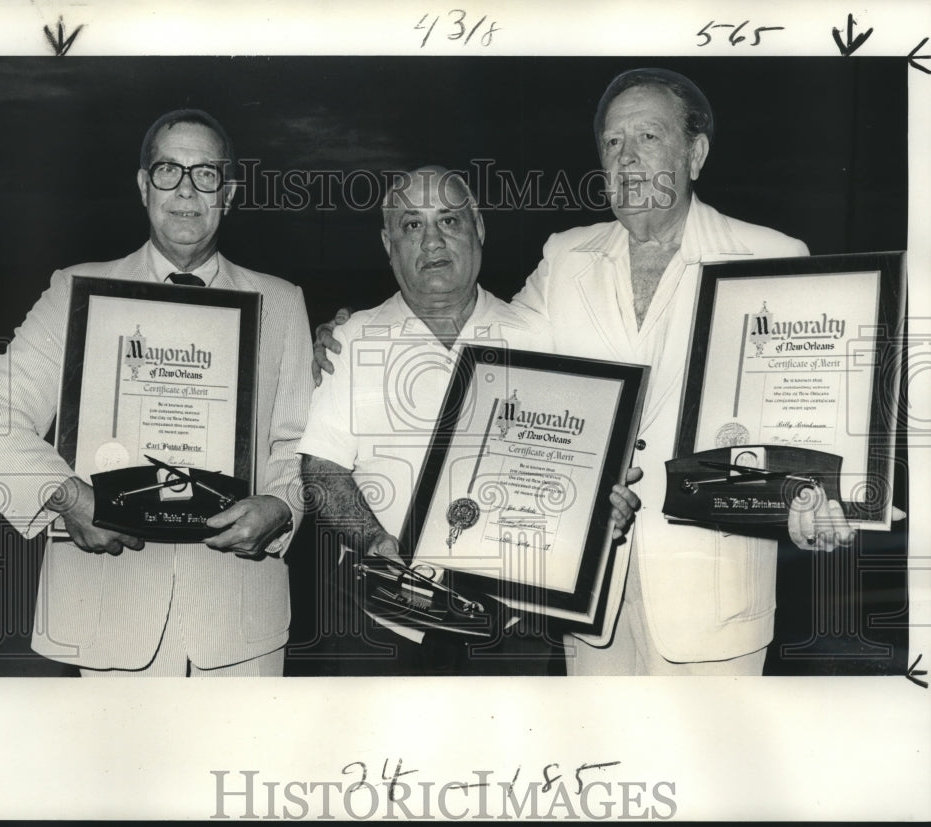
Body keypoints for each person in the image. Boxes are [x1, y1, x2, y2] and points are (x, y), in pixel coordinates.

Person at [312, 69, 866, 676]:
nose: (627, 158)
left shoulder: (770, 258)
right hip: (581, 596)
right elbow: (490, 349)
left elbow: (815, 415)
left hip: (711, 599)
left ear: (696, 153)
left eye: (648, 137)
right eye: (611, 143)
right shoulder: (566, 256)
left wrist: (823, 499)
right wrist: (345, 334)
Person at [0, 109, 314, 676]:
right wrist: (68, 497)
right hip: (107, 616)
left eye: (206, 174)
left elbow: (296, 438)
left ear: (229, 191)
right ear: (143, 185)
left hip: (240, 625)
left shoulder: (281, 302)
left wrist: (280, 506)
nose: (187, 190)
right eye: (169, 170)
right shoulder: (76, 291)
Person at [298, 166, 640, 675]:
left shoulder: (538, 335)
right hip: (380, 620)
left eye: (450, 221)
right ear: (388, 242)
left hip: (512, 623)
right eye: (412, 225)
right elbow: (321, 468)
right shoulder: (352, 339)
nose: (432, 240)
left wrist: (597, 510)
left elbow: (578, 457)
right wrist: (374, 542)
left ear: (478, 228)